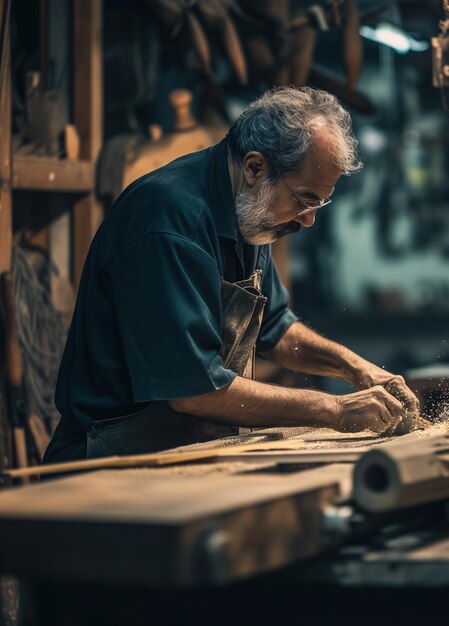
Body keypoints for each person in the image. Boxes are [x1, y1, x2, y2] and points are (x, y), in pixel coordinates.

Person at [44, 87, 421, 463]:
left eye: (320, 202)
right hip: (108, 465)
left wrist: (356, 369)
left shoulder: (250, 212)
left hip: (183, 453)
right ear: (256, 167)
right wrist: (334, 410)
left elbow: (275, 329)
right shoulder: (170, 223)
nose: (309, 219)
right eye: (305, 199)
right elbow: (195, 390)